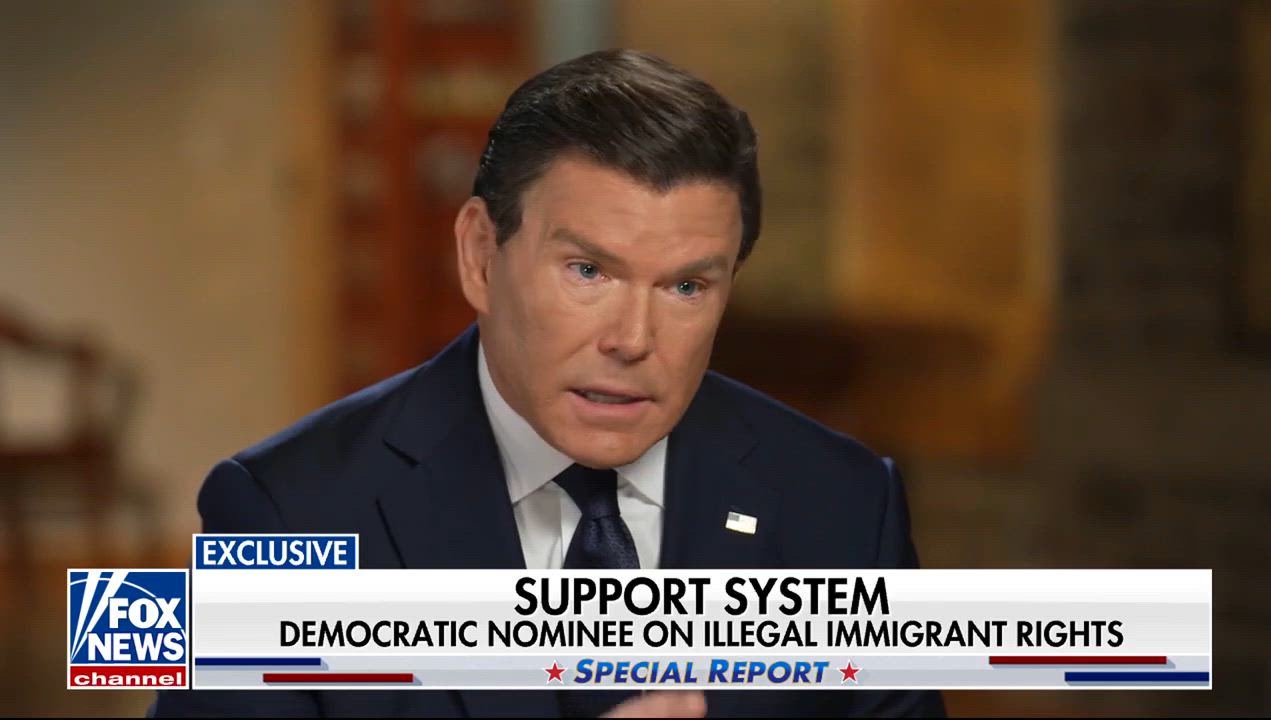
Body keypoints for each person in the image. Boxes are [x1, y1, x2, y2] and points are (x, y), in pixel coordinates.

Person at [152, 49, 945, 718]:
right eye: (588, 270)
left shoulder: (844, 508)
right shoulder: (288, 512)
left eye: (686, 287)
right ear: (480, 256)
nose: (633, 340)